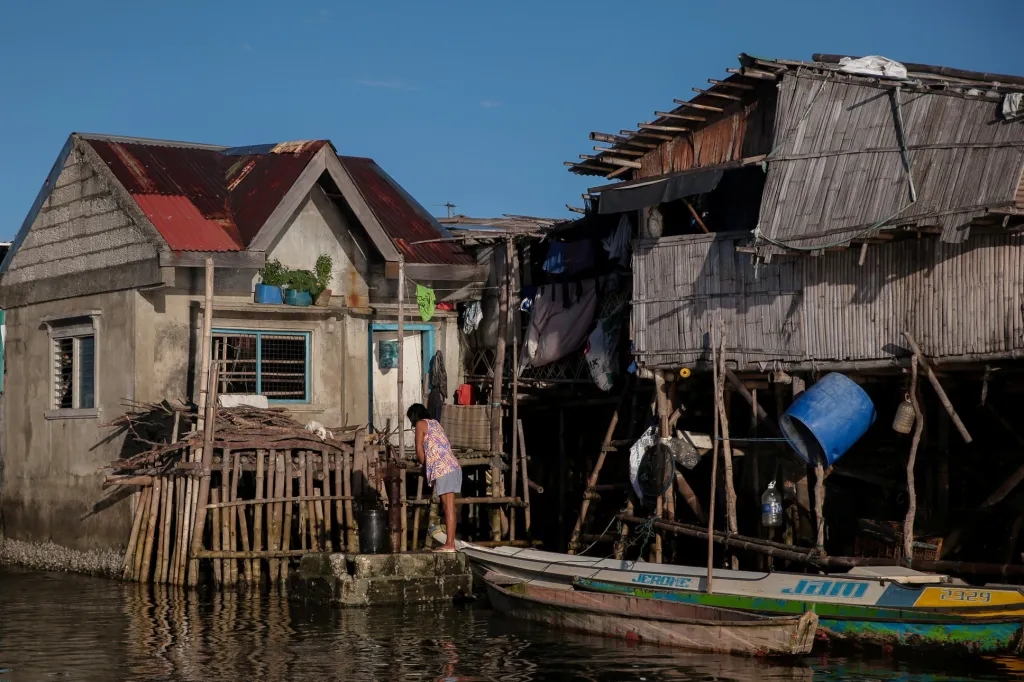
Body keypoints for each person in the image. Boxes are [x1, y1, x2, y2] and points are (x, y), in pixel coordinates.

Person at [407, 403, 461, 552]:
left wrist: (426, 466)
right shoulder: (435, 423)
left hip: (444, 467)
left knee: (448, 507)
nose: (411, 423)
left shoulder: (420, 424)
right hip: (454, 466)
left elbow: (419, 451)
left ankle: (450, 544)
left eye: (410, 419)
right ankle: (451, 543)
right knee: (450, 507)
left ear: (414, 416)